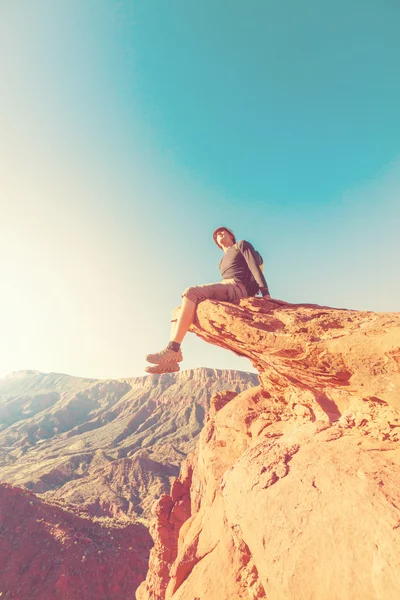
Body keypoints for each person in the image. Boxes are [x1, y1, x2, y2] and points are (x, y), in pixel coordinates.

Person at [145, 227, 270, 374]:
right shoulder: (222, 261)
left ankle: (173, 349)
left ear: (231, 236)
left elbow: (254, 267)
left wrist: (265, 293)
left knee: (191, 292)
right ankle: (172, 360)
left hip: (237, 286)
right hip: (226, 285)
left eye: (223, 232)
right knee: (176, 312)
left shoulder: (241, 245)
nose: (219, 234)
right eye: (216, 235)